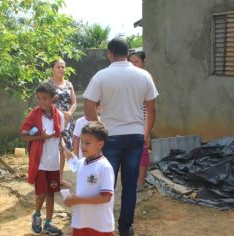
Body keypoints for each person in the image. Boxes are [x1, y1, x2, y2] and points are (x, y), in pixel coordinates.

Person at [83, 38, 159, 236]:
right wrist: (147, 133)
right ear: (127, 53)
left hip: (111, 138)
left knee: (106, 184)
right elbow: (151, 108)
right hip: (135, 137)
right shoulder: (143, 75)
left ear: (109, 53)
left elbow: (89, 105)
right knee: (130, 185)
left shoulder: (101, 76)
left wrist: (99, 129)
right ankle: (125, 228)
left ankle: (103, 226)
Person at [20, 82, 65, 235]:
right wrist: (41, 137)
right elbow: (23, 136)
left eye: (44, 98)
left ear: (53, 98)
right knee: (42, 193)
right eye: (39, 98)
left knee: (51, 193)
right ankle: (37, 215)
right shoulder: (34, 114)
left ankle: (48, 222)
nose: (41, 102)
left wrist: (64, 150)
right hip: (40, 162)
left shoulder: (59, 116)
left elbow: (60, 137)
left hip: (53, 161)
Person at [64, 121, 115, 236]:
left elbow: (106, 197)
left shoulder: (105, 167)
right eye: (82, 142)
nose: (82, 146)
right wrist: (72, 199)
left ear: (100, 144)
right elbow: (80, 172)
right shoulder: (82, 162)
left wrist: (79, 200)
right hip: (81, 221)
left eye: (88, 143)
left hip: (98, 224)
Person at [48, 59, 76, 187]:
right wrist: (60, 112)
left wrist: (69, 113)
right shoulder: (48, 85)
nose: (61, 69)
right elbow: (45, 103)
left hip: (67, 121)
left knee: (63, 150)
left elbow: (74, 102)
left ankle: (60, 178)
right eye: (58, 67)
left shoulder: (69, 84)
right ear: (52, 69)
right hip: (52, 120)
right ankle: (50, 178)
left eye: (63, 67)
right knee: (53, 149)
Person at [129, 51, 152, 191]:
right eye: (130, 62)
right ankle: (134, 178)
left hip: (142, 121)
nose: (133, 65)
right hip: (129, 121)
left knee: (143, 150)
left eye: (136, 62)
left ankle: (141, 181)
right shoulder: (127, 79)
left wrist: (147, 130)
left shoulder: (146, 78)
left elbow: (150, 109)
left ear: (143, 63)